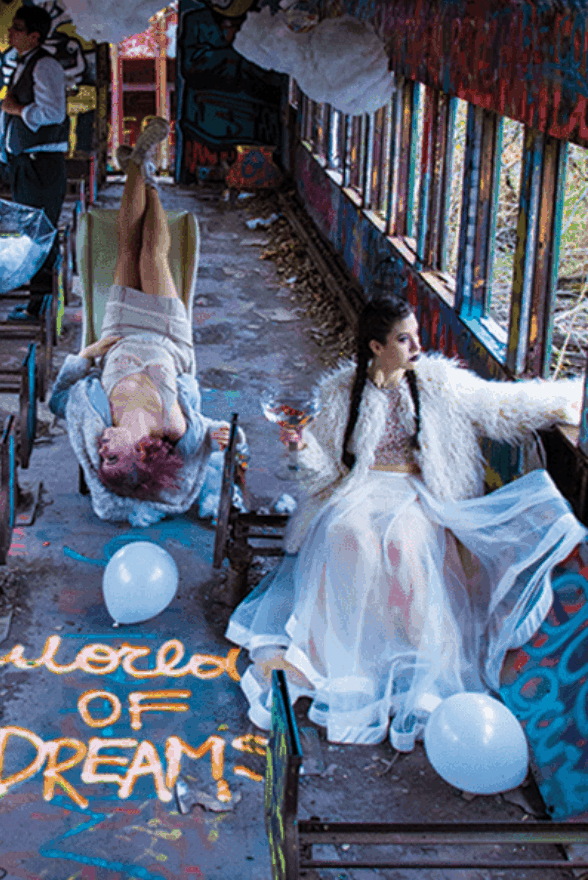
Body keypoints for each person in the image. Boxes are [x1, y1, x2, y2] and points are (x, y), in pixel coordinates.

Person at [226, 293, 584, 750]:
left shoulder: (437, 382)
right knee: (347, 535)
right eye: (404, 338)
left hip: (418, 491)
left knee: (406, 545)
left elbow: (500, 406)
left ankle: (417, 663)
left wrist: (565, 399)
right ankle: (341, 659)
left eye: (416, 335)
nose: (417, 346)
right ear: (376, 346)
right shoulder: (340, 392)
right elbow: (321, 475)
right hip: (359, 489)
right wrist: (298, 446)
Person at [49, 118, 238, 527]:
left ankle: (138, 163)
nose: (101, 450)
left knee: (126, 244)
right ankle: (146, 173)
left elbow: (57, 401)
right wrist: (225, 437)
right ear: (140, 455)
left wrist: (86, 355)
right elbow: (218, 439)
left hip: (119, 332)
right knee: (152, 252)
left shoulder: (97, 419)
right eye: (112, 457)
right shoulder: (175, 429)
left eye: (100, 459)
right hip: (168, 334)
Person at [0, 5, 68, 321]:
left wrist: (18, 110)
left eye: (17, 28)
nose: (10, 33)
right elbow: (7, 112)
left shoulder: (45, 67)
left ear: (34, 36)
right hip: (23, 162)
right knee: (31, 235)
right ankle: (36, 304)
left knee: (40, 235)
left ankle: (43, 308)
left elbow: (53, 114)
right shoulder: (22, 63)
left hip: (40, 164)